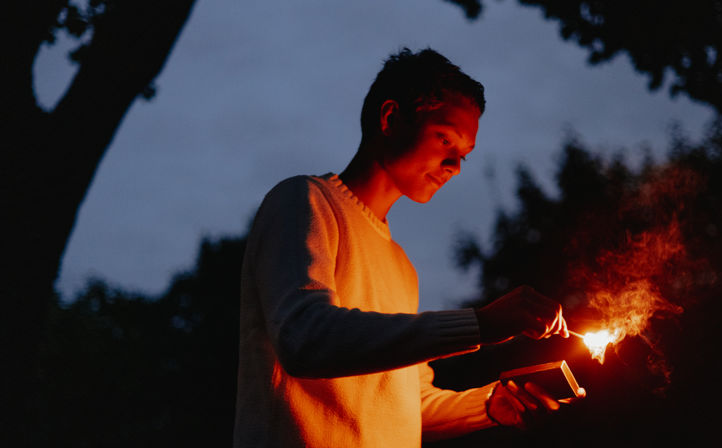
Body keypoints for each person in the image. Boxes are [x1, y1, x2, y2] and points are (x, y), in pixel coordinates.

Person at [234, 47, 577, 448]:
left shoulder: (402, 268)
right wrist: (481, 325)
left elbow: (403, 404)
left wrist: (489, 405)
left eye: (463, 155)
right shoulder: (304, 201)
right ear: (390, 118)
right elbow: (305, 338)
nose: (454, 166)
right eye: (445, 139)